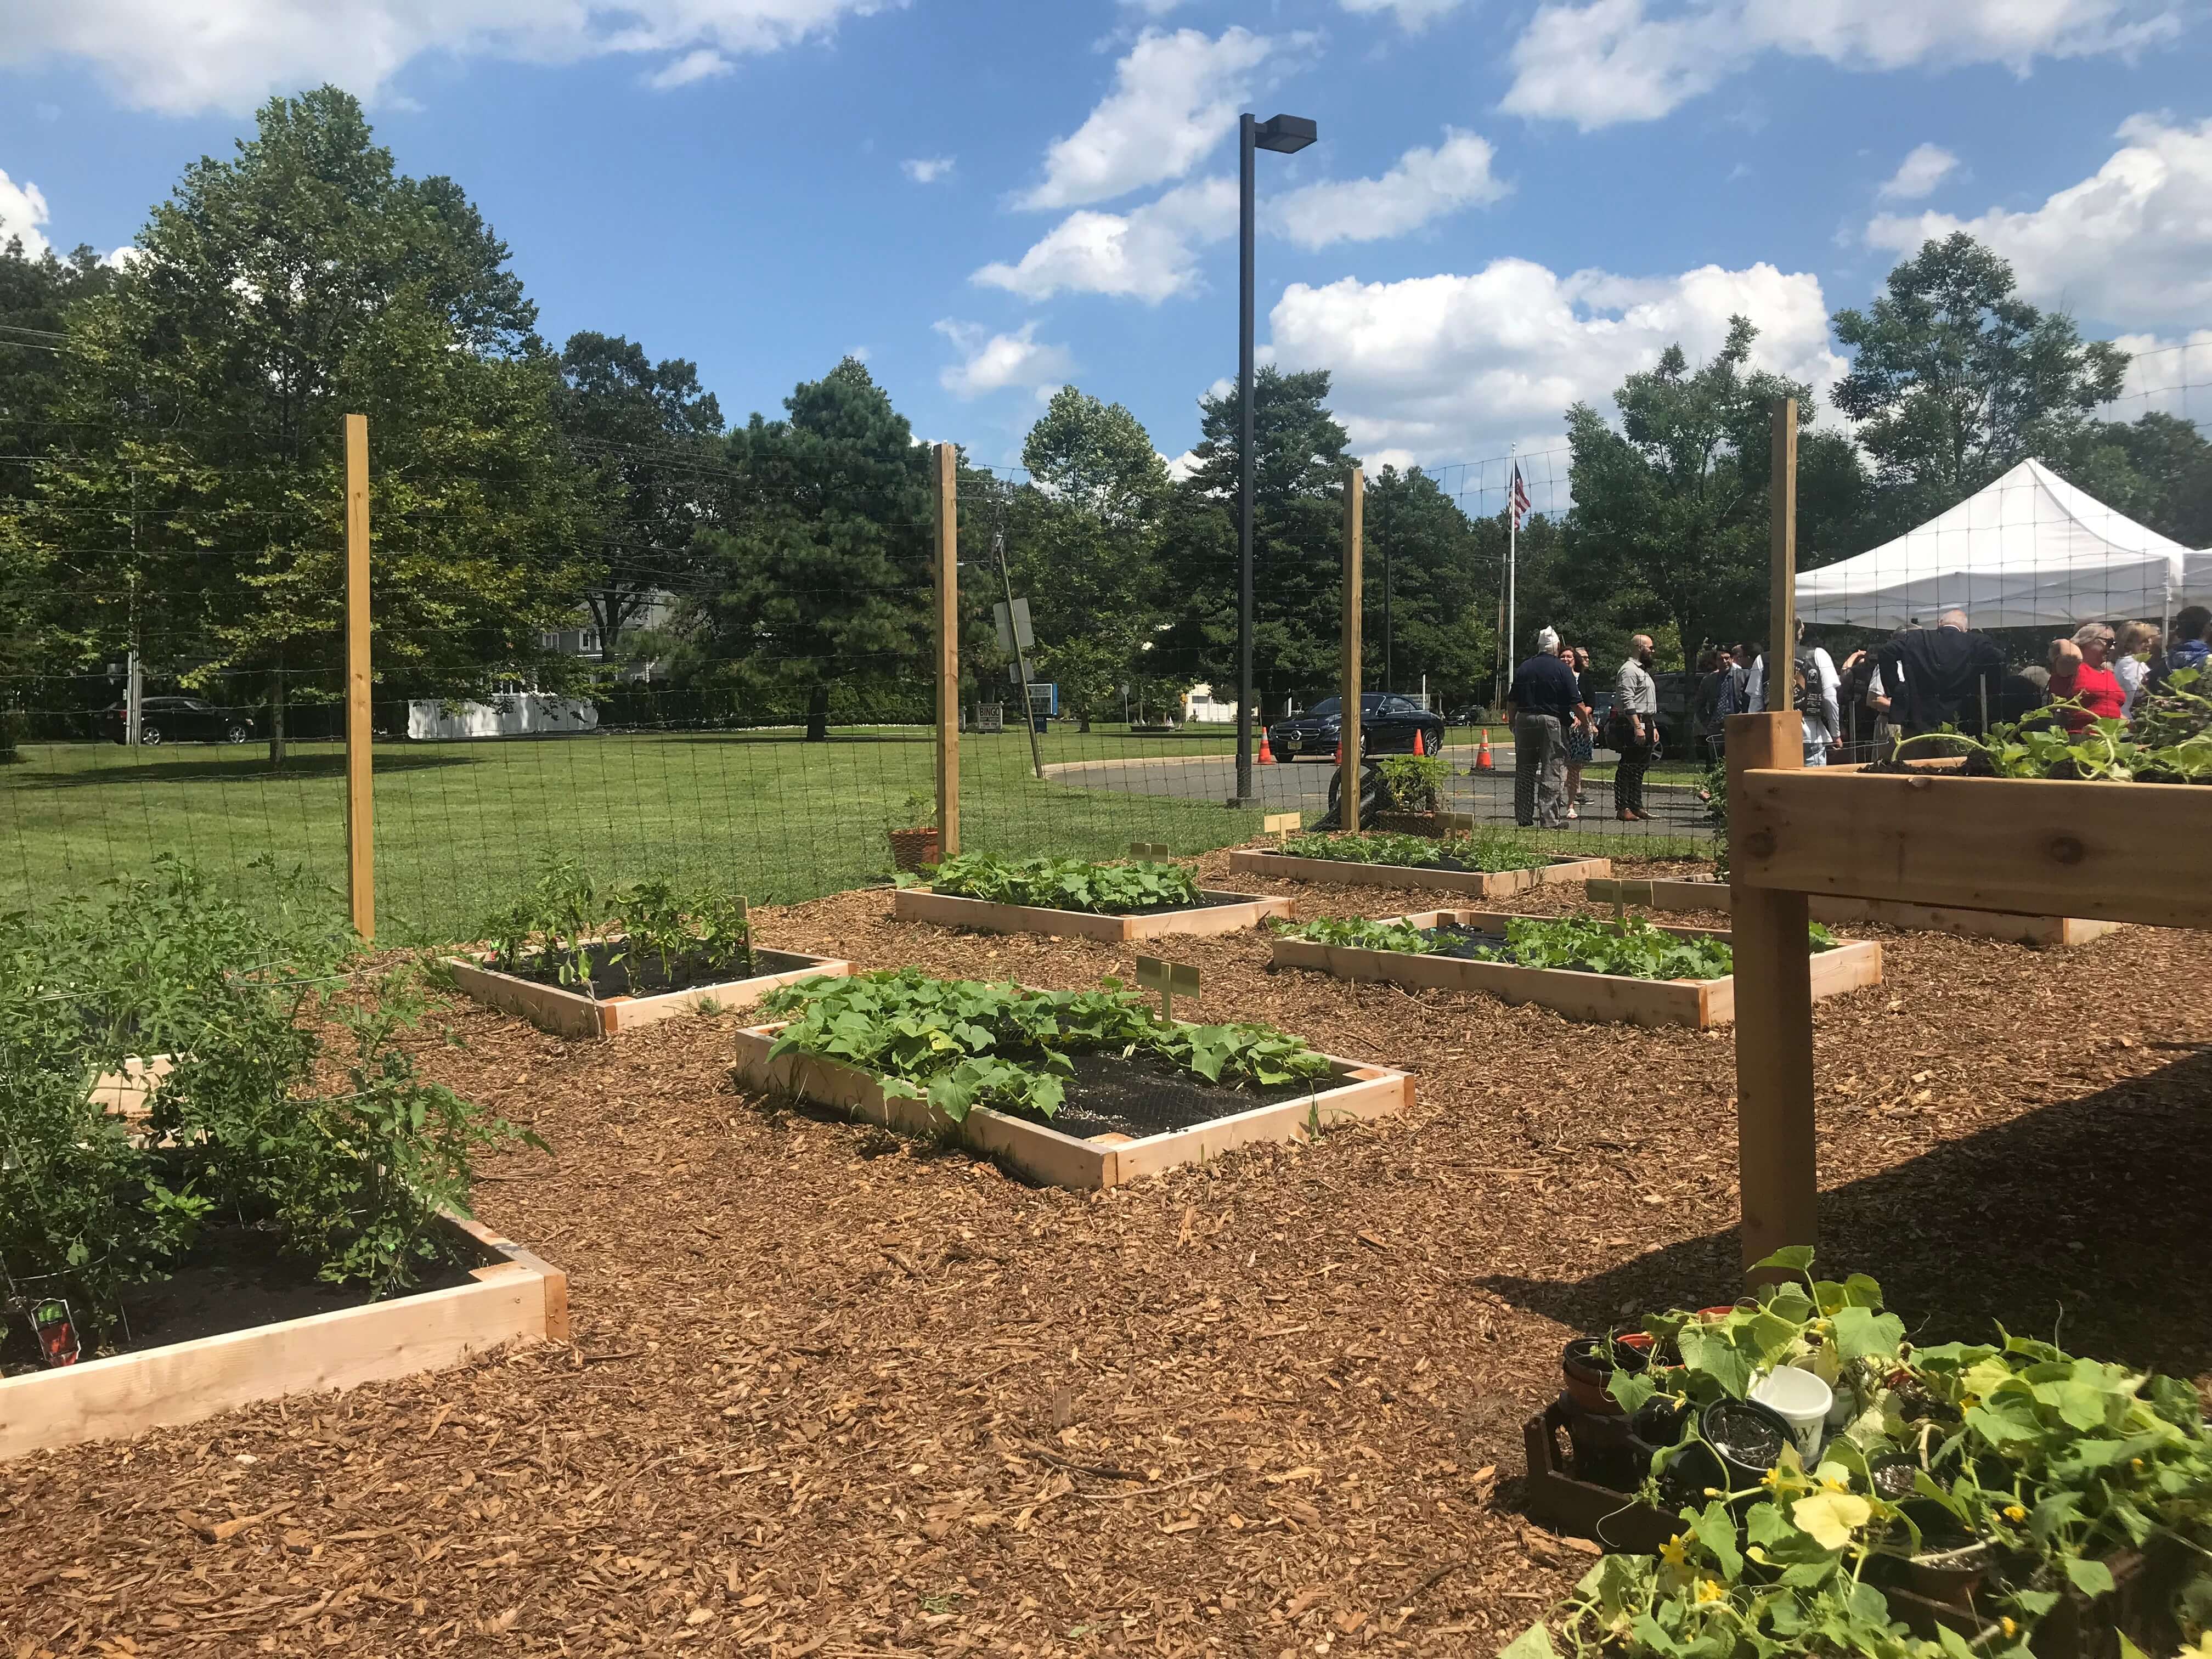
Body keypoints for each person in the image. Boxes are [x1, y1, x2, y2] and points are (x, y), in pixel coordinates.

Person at [1871, 610, 2006, 736]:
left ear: (1939, 623)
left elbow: (1886, 651)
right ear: (1966, 629)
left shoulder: (1918, 638)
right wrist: (1990, 690)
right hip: (1960, 721)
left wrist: (1896, 689)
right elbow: (1999, 657)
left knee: (1917, 760)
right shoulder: (1976, 642)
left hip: (1918, 720)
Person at [1505, 626, 1579, 830]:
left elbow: (1512, 701)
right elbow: (1576, 701)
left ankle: (1524, 817)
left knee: (1525, 770)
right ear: (1556, 647)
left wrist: (1513, 722)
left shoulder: (1524, 668)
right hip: (1551, 721)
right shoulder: (1562, 669)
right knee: (1552, 769)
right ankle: (1550, 821)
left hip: (1525, 720)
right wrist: (1587, 724)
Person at [1745, 622, 1842, 765]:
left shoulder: (1763, 660)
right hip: (1811, 734)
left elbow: (1755, 704)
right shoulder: (1819, 655)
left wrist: (1754, 736)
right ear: (1801, 632)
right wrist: (1836, 734)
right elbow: (1830, 698)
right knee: (1813, 785)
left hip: (1775, 733)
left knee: (1780, 785)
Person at [1610, 633, 1660, 822]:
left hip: (1646, 721)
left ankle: (1636, 805)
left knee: (1640, 767)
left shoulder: (1643, 670)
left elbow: (1646, 702)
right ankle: (1623, 807)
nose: (1653, 651)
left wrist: (1651, 726)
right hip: (1631, 723)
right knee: (1628, 766)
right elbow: (1627, 700)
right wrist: (1638, 727)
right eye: (1650, 648)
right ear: (1640, 648)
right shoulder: (1629, 670)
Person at [2047, 623, 2127, 732]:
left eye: (2114, 643)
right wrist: (2072, 642)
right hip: (2080, 737)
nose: (2112, 648)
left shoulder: (2108, 674)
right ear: (2087, 640)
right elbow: (2071, 654)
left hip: (2110, 738)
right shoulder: (2072, 667)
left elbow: (2109, 708)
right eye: (2108, 642)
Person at [1562, 643, 1596, 817]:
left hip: (1579, 727)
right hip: (1560, 725)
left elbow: (1591, 703)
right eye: (1563, 656)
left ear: (1575, 660)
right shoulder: (1556, 677)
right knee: (1557, 765)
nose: (1566, 659)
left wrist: (1580, 716)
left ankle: (1571, 804)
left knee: (1575, 767)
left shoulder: (1584, 679)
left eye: (1570, 656)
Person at [2113, 621, 2159, 716]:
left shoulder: (2128, 662)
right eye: (2144, 640)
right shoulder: (2132, 664)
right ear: (2128, 643)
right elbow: (2138, 695)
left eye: (2150, 639)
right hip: (2132, 719)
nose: (2150, 643)